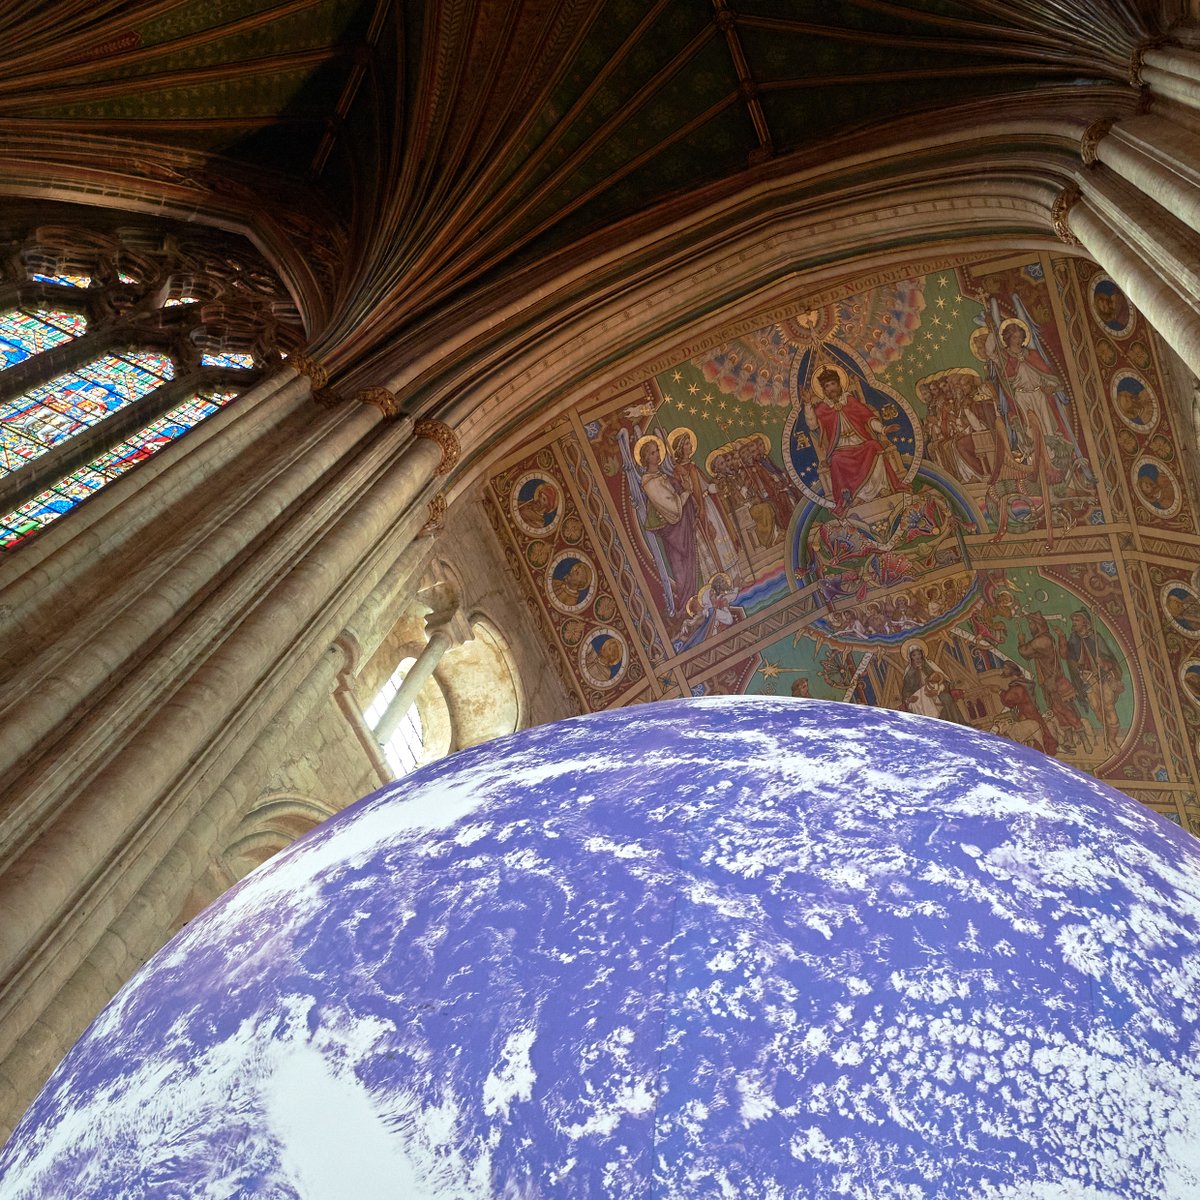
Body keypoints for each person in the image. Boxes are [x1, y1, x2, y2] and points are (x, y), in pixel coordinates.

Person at [803, 365, 908, 516]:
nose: (831, 388)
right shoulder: (822, 408)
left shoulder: (850, 401)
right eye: (827, 386)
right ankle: (857, 496)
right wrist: (807, 404)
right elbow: (812, 425)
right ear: (824, 390)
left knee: (873, 446)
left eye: (833, 384)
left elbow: (868, 419)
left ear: (839, 384)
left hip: (860, 441)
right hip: (840, 447)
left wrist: (883, 429)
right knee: (837, 460)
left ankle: (881, 488)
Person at [1016, 611, 1086, 751]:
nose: (1030, 626)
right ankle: (1070, 740)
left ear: (1038, 624)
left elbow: (1024, 652)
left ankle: (1085, 741)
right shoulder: (1044, 639)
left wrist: (1021, 640)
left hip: (1055, 682)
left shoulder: (1042, 640)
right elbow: (1030, 656)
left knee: (1065, 711)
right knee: (1058, 712)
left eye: (1031, 623)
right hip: (1049, 683)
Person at [1065, 609, 1123, 748]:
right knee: (1096, 708)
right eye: (1073, 621)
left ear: (1085, 622)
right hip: (1087, 679)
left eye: (1076, 620)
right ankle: (1108, 731)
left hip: (1102, 676)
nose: (1074, 623)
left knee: (1109, 706)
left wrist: (1103, 663)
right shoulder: (1073, 641)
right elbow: (1070, 660)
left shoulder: (1095, 638)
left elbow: (1110, 659)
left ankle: (1111, 740)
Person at [996, 661, 1058, 755]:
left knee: (1038, 735)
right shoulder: (1020, 683)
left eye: (1006, 668)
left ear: (1013, 670)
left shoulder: (1018, 686)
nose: (1004, 670)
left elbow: (1009, 700)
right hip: (1026, 711)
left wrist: (999, 691)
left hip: (1027, 712)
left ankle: (1045, 752)